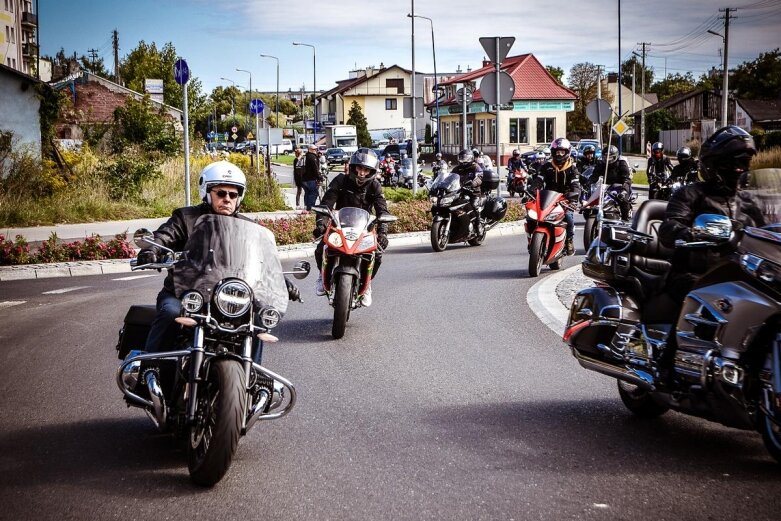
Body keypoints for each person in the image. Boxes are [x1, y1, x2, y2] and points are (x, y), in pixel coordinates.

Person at [136, 160, 301, 355]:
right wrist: (152, 249)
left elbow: (262, 262)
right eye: (221, 193)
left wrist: (281, 279)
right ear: (207, 192)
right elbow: (165, 235)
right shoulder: (186, 218)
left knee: (256, 322)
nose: (227, 199)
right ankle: (150, 364)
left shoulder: (248, 227)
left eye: (233, 194)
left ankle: (250, 379)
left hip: (230, 298)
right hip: (186, 293)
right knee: (171, 311)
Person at [656, 126, 762, 371]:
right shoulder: (691, 194)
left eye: (744, 162)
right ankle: (667, 366)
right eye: (733, 163)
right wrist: (692, 232)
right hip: (697, 274)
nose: (740, 169)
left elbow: (769, 227)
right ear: (714, 164)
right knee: (698, 295)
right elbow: (669, 227)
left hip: (741, 275)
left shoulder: (750, 201)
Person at [313, 148, 390, 307]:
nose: (362, 173)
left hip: (364, 228)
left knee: (378, 256)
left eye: (366, 169)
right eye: (360, 168)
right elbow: (326, 204)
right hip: (340, 225)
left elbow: (382, 210)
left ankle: (367, 284)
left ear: (372, 171)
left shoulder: (374, 186)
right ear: (354, 167)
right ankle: (322, 275)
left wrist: (383, 233)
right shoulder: (340, 180)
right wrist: (321, 223)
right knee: (321, 249)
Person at [536, 137, 581, 255]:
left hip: (565, 199)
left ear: (567, 152)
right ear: (553, 152)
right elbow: (539, 180)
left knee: (569, 218)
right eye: (557, 152)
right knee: (534, 217)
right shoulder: (546, 166)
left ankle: (569, 240)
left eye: (562, 152)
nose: (559, 154)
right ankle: (533, 239)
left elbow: (575, 184)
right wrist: (532, 189)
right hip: (548, 198)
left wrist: (574, 194)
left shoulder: (572, 168)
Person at [592, 145, 633, 220]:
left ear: (615, 156)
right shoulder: (601, 163)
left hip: (620, 185)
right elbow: (594, 175)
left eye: (610, 157)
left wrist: (623, 189)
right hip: (605, 186)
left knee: (622, 198)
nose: (607, 159)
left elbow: (626, 177)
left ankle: (625, 218)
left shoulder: (621, 163)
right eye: (605, 157)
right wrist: (588, 183)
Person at [452, 148, 484, 231]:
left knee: (474, 206)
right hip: (459, 191)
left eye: (465, 158)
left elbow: (479, 177)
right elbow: (449, 177)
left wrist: (473, 183)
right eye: (461, 158)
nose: (463, 160)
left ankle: (478, 225)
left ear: (470, 158)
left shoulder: (475, 167)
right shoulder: (456, 169)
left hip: (473, 192)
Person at [301, 144, 321, 210]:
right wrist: (319, 177)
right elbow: (315, 169)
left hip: (304, 179)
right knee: (313, 193)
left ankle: (306, 207)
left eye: (316, 149)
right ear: (310, 150)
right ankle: (311, 208)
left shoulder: (305, 156)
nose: (316, 151)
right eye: (314, 149)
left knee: (307, 193)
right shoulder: (312, 157)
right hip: (311, 179)